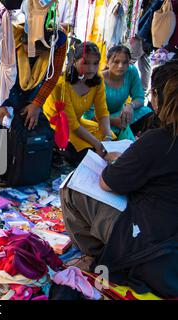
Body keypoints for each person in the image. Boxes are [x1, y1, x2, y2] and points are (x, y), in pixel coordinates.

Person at [60, 60, 178, 298]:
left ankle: (94, 255)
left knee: (72, 185)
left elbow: (109, 182)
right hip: (168, 231)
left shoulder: (160, 139)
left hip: (147, 240)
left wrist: (116, 161)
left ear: (157, 97)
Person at [0, 24, 68, 186]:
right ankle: (2, 170)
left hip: (34, 87)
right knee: (3, 127)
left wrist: (37, 103)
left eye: (40, 50)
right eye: (29, 46)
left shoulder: (58, 41)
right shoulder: (8, 36)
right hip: (3, 86)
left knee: (28, 124)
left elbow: (52, 76)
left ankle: (24, 168)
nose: (34, 52)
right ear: (22, 39)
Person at [43, 41, 115, 166]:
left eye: (95, 63)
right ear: (74, 61)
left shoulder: (97, 81)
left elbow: (102, 112)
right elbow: (72, 124)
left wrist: (107, 136)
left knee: (113, 142)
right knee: (90, 153)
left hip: (77, 125)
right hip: (58, 127)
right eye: (85, 63)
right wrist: (97, 144)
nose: (91, 68)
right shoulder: (62, 85)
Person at [83, 45, 153, 139]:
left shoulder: (131, 72)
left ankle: (138, 138)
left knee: (147, 112)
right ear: (107, 63)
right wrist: (112, 121)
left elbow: (139, 98)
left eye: (125, 62)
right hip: (98, 120)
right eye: (116, 62)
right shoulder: (96, 80)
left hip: (120, 115)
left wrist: (130, 106)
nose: (121, 66)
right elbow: (89, 115)